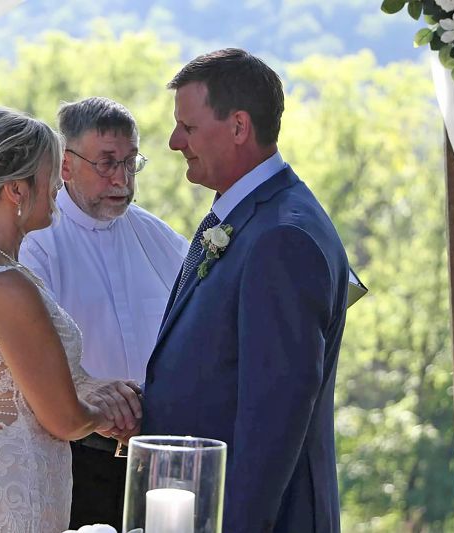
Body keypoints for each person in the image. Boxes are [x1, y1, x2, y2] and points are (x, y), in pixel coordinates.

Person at [142, 49, 349, 532]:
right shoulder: (250, 216)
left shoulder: (282, 237)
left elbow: (274, 419)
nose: (174, 142)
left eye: (188, 128)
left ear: (238, 127)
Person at [0, 106, 142, 532]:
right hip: (16, 498)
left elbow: (8, 381)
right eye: (49, 176)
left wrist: (95, 389)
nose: (56, 189)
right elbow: (63, 419)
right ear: (16, 190)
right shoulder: (6, 284)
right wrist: (113, 418)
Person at [19, 97, 188, 529]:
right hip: (77, 461)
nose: (123, 180)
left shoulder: (160, 239)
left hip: (158, 461)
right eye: (108, 163)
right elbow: (27, 357)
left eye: (131, 163)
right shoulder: (37, 245)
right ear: (66, 165)